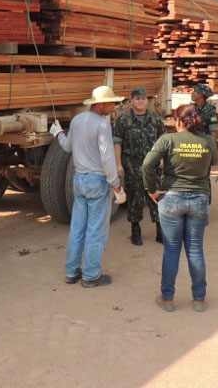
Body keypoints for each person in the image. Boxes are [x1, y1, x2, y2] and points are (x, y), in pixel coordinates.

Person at [143, 105, 218, 313]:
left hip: (172, 197)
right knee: (195, 250)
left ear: (177, 121)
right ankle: (199, 299)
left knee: (172, 250)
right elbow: (214, 161)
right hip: (200, 199)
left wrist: (151, 190)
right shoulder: (208, 141)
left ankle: (167, 298)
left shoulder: (168, 139)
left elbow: (147, 165)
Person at [50, 85, 124, 287]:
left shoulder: (77, 120)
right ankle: (91, 276)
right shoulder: (102, 125)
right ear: (100, 105)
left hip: (79, 179)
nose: (114, 106)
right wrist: (116, 185)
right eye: (111, 103)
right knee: (96, 231)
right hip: (97, 182)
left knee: (77, 228)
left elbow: (67, 146)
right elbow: (107, 158)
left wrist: (58, 133)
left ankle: (71, 272)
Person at [113, 87, 166, 246]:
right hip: (132, 166)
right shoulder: (123, 120)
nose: (141, 101)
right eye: (137, 98)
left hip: (152, 167)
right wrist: (118, 163)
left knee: (156, 198)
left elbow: (163, 139)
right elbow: (117, 142)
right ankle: (136, 231)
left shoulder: (155, 118)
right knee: (135, 200)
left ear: (147, 101)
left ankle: (160, 231)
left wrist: (163, 157)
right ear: (131, 101)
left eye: (143, 98)